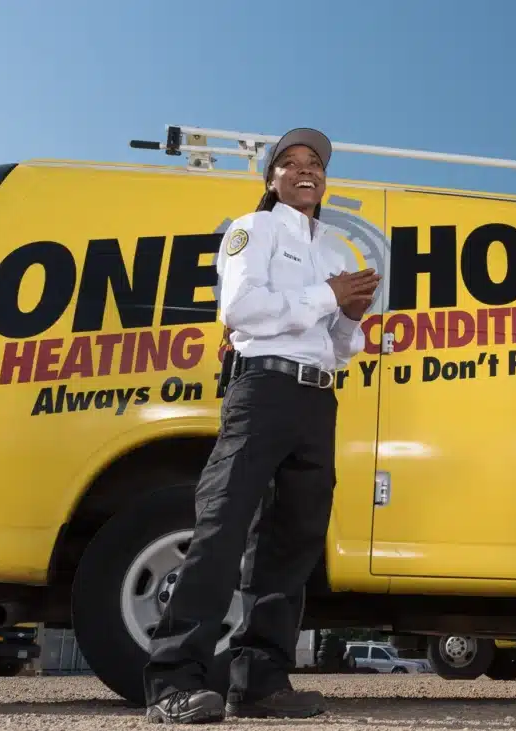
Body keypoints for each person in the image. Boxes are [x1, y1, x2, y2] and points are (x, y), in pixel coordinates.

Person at [141, 127, 381, 723]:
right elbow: (241, 309)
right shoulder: (256, 230)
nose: (306, 171)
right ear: (271, 178)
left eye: (315, 164)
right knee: (221, 530)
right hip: (261, 389)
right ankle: (172, 681)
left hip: (316, 398)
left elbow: (339, 347)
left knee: (290, 545)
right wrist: (327, 296)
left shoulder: (336, 252)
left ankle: (261, 682)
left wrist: (349, 318)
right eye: (291, 163)